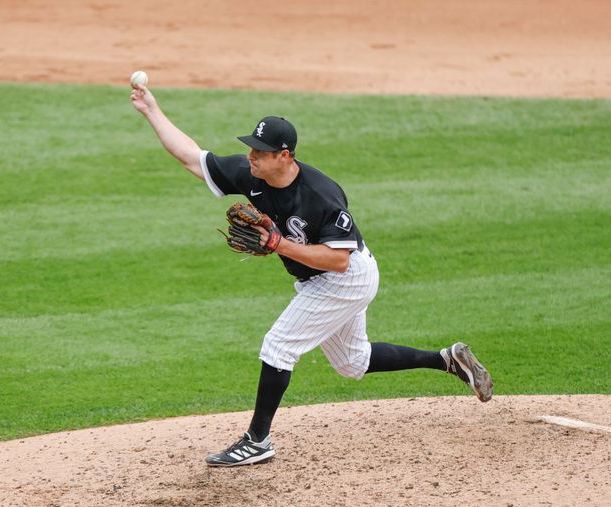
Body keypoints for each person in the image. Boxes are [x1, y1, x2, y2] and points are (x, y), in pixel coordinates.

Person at [130, 82, 493, 467]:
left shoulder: (321, 195)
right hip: (326, 278)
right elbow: (192, 157)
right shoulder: (251, 175)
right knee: (352, 363)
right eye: (251, 148)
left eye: (260, 151)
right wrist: (151, 110)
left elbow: (338, 260)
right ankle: (447, 359)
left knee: (278, 346)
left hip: (346, 276)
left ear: (284, 156)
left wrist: (279, 245)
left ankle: (257, 440)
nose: (250, 156)